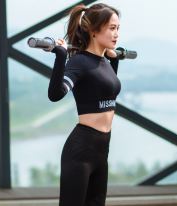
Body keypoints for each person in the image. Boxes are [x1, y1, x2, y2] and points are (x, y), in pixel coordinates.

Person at [47, 3, 121, 206]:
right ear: (94, 31)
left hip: (102, 151)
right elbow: (55, 94)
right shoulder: (79, 62)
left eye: (118, 28)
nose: (116, 34)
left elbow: (105, 88)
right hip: (81, 151)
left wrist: (114, 60)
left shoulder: (104, 61)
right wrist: (61, 56)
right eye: (112, 28)